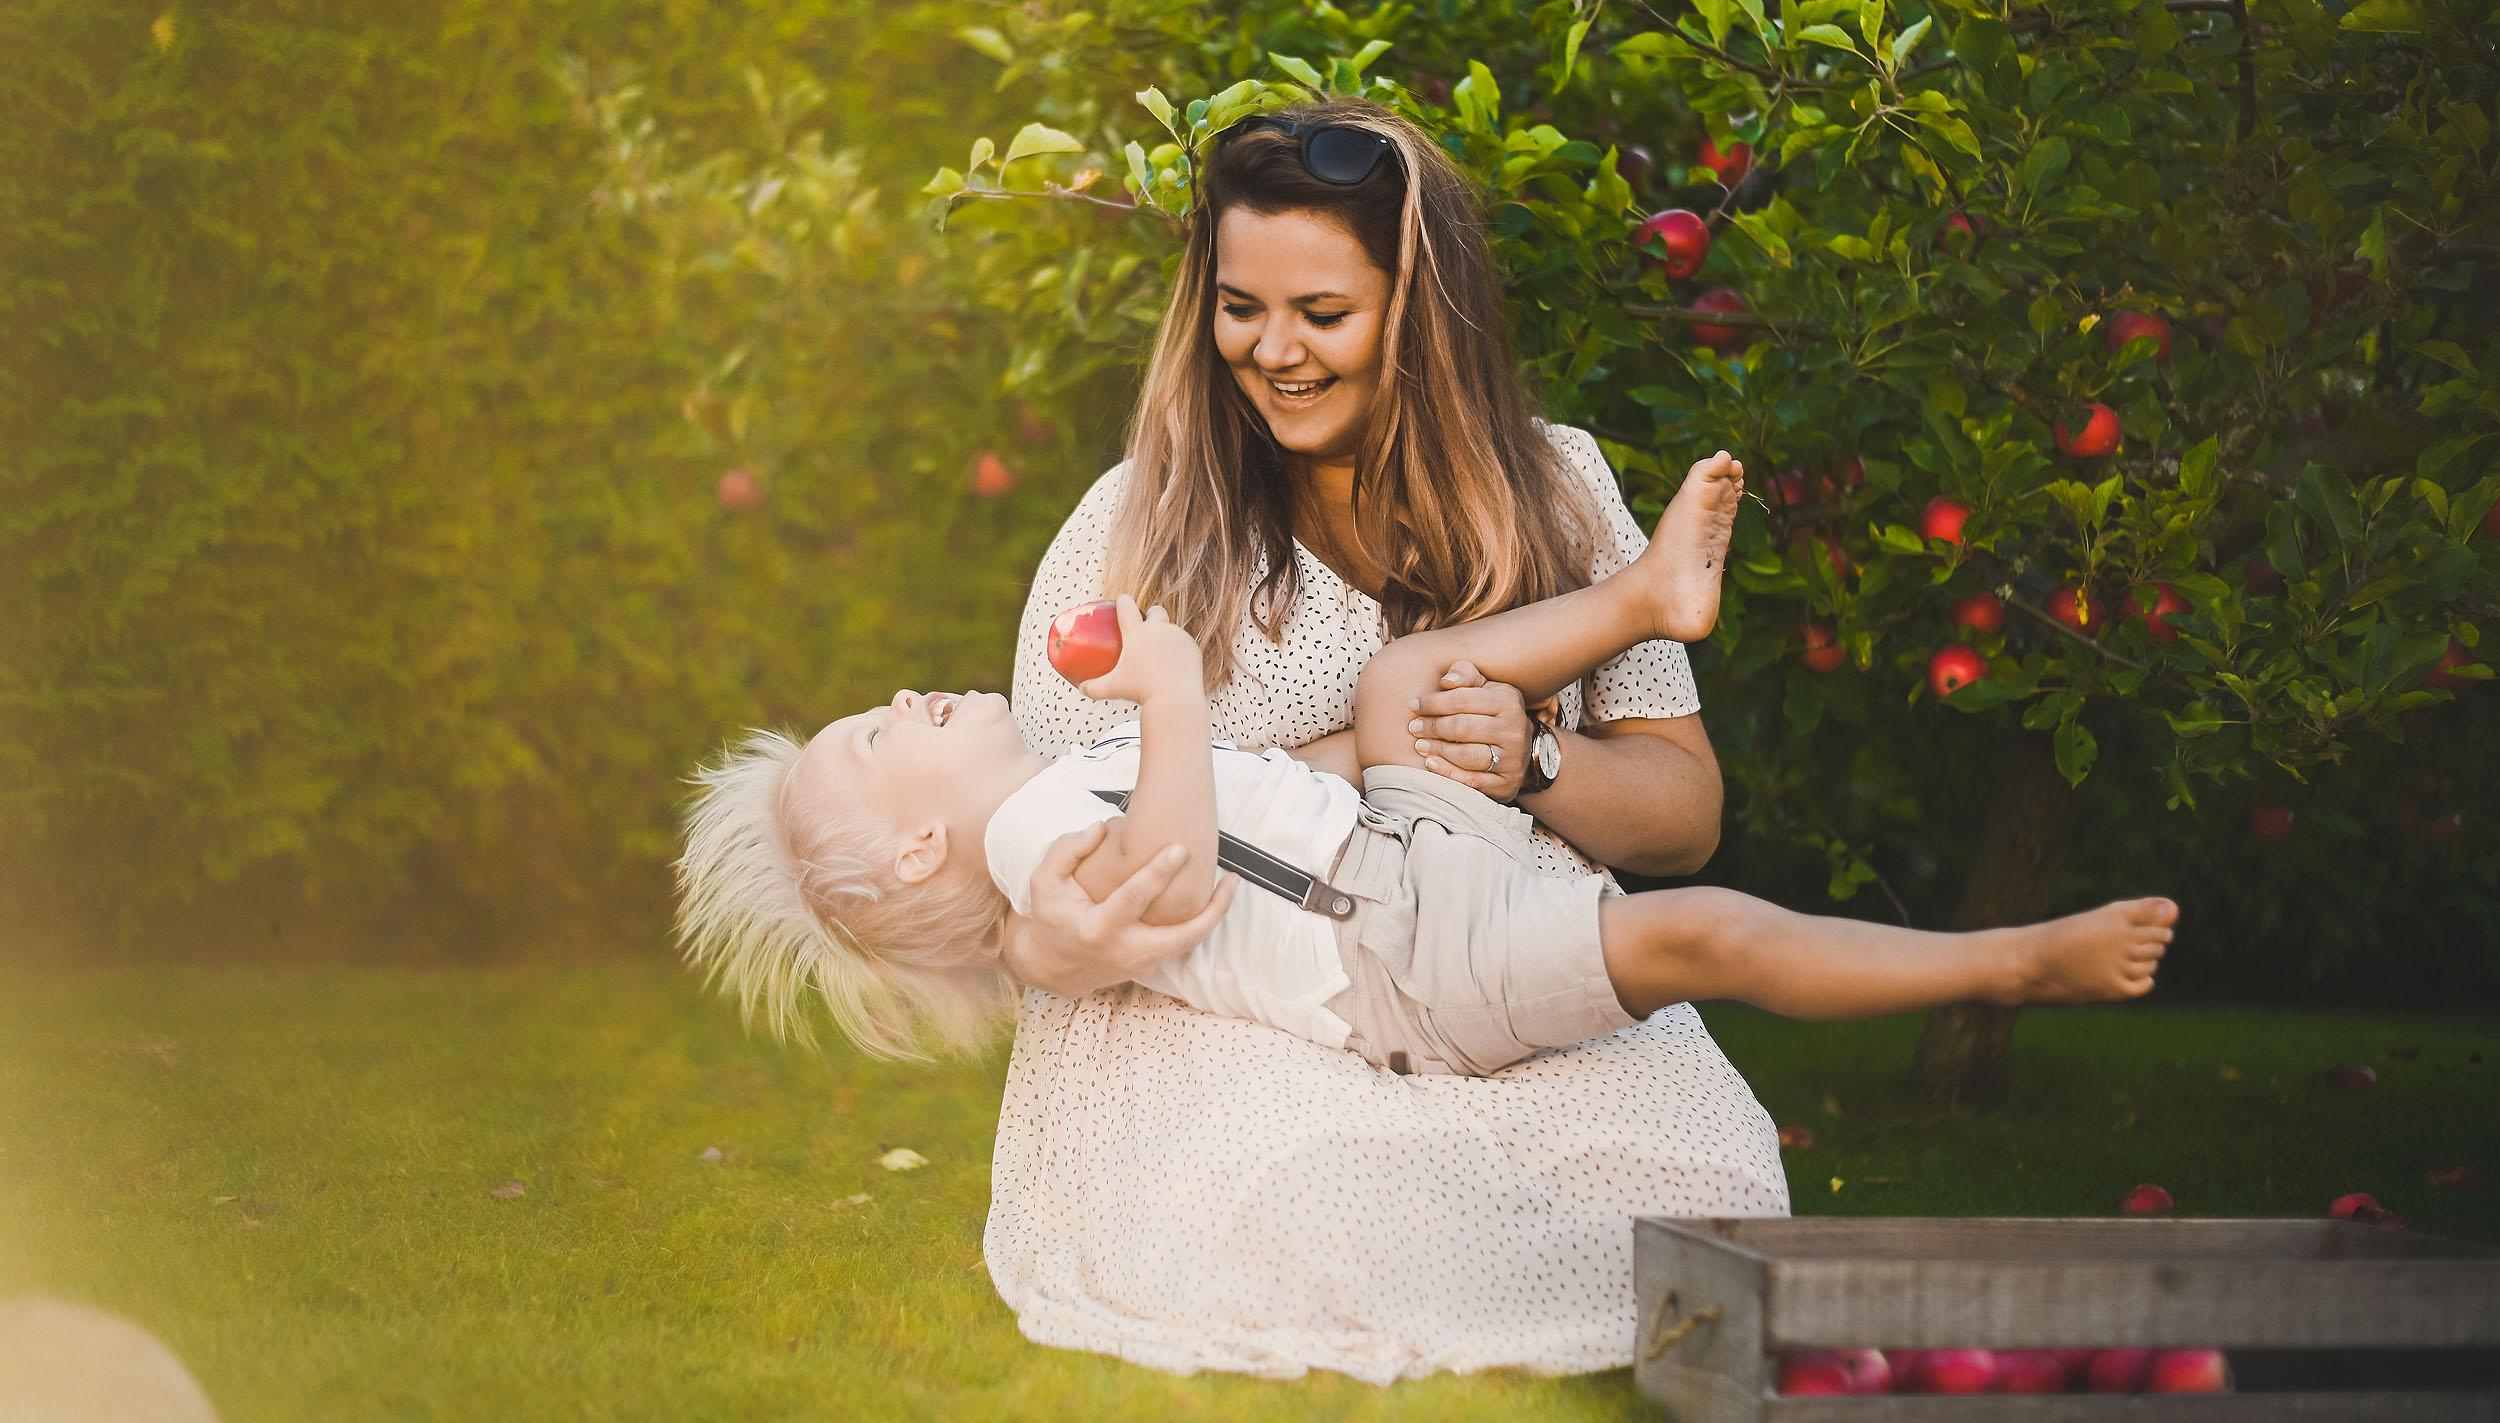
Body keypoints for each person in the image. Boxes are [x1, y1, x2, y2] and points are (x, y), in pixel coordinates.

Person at [981, 97, 1777, 1380]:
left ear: (1419, 307)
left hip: (1493, 953)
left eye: (1323, 314)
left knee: (1711, 1192)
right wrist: (1048, 938)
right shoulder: (1136, 527)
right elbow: (1044, 831)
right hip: (1233, 996)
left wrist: (1539, 766)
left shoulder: (1555, 487)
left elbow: (1686, 815)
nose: (1274, 351)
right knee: (1324, 1196)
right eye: (1242, 308)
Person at [676, 451, 2177, 1082]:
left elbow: (1288, 774)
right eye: (877, 736)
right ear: (925, 848)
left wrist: (1495, 751)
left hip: (1380, 855)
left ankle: (1650, 599)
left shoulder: (1067, 787)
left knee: (1407, 672)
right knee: (1701, 934)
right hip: (1406, 964)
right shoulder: (1032, 845)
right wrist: (1179, 689)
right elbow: (1183, 871)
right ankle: (1997, 960)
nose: (896, 695)